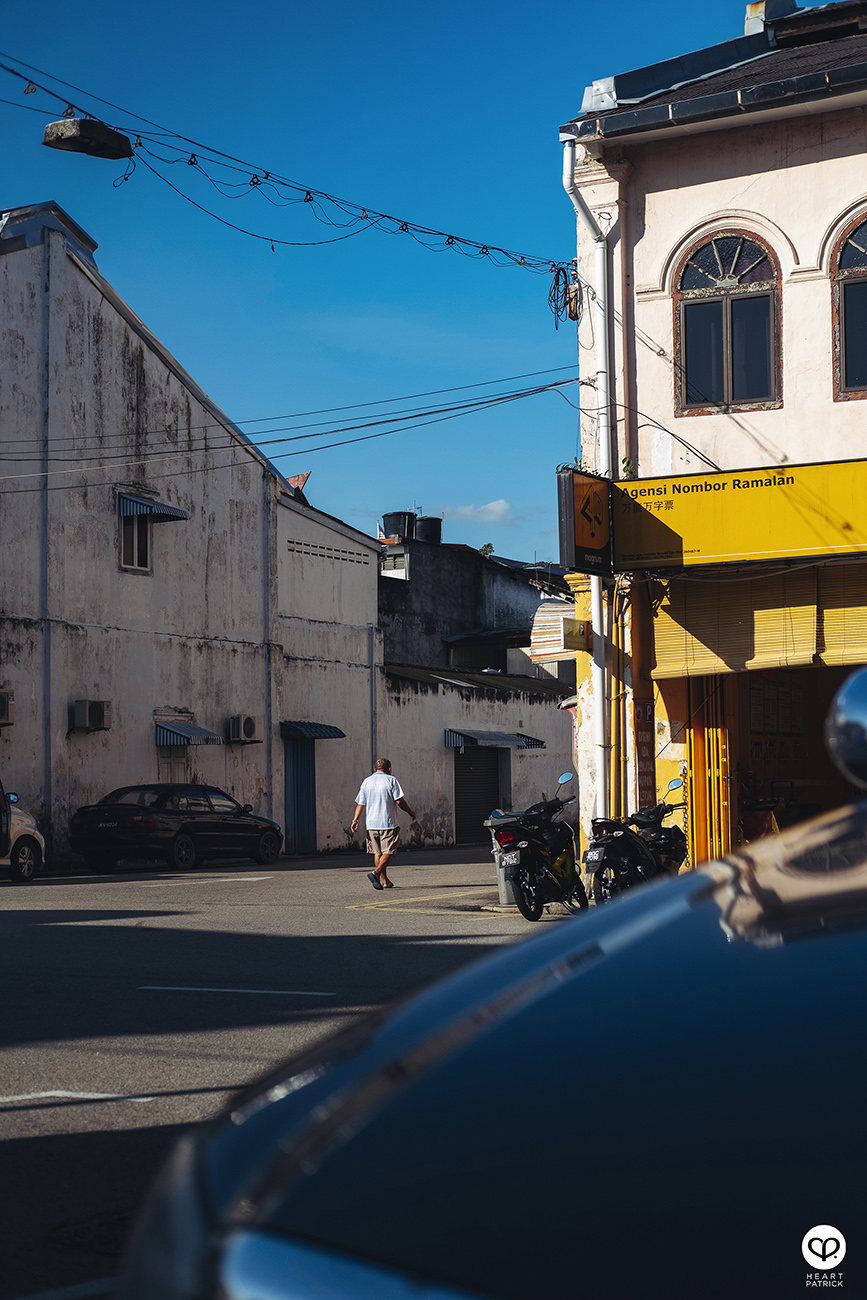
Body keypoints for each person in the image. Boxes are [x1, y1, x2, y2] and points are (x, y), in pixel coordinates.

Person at [351, 758, 417, 890]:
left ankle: (385, 881)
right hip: (388, 822)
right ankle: (375, 873)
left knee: (378, 853)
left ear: (375, 769)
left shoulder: (367, 781)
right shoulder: (391, 780)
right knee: (389, 851)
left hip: (371, 823)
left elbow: (361, 803)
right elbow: (399, 801)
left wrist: (355, 820)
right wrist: (411, 812)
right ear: (389, 769)